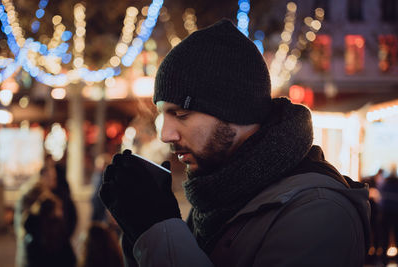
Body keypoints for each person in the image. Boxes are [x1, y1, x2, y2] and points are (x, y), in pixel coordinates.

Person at [100, 19, 370, 267]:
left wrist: (157, 228)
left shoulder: (319, 213)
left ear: (234, 113)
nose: (166, 134)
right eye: (162, 115)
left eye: (181, 114)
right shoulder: (218, 197)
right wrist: (138, 234)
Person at [379, 164, 398, 264]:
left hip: (386, 212)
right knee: (396, 235)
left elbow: (382, 198)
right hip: (396, 213)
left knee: (385, 236)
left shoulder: (385, 183)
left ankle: (383, 259)